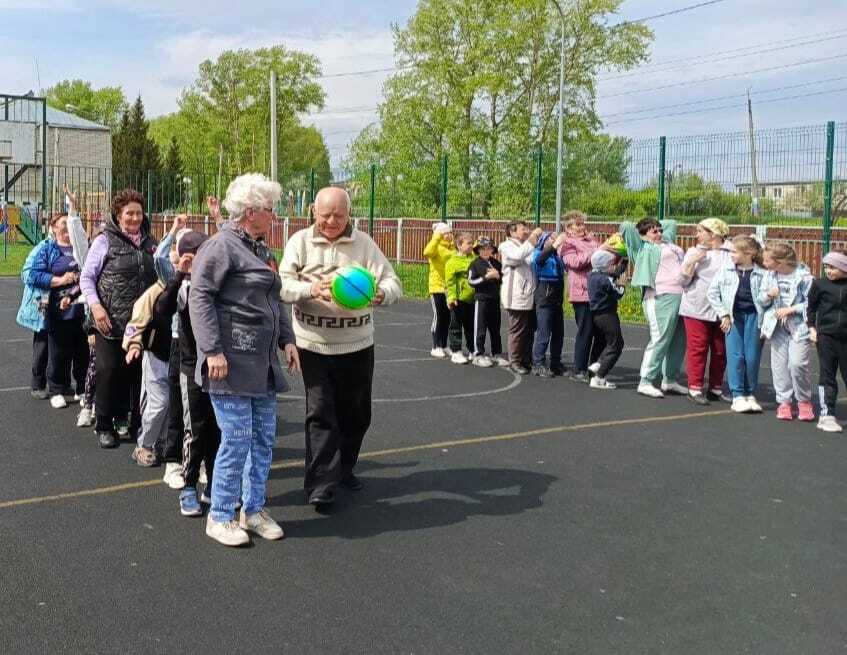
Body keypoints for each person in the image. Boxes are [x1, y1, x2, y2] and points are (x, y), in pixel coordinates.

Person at [190, 173, 299, 546]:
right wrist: (212, 351)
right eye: (270, 210)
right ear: (250, 211)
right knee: (235, 438)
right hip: (230, 363)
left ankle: (252, 510)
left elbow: (275, 299)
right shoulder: (221, 246)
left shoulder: (263, 251)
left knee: (263, 439)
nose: (275, 216)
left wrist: (288, 340)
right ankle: (220, 515)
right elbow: (199, 297)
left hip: (263, 365)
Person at [280, 186, 402, 509]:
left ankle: (344, 468)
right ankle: (321, 483)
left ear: (349, 214)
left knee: (357, 414)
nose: (332, 221)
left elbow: (393, 282)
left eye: (338, 214)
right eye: (325, 215)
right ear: (313, 213)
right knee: (320, 413)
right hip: (313, 344)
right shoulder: (300, 243)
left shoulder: (364, 245)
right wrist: (310, 288)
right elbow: (282, 284)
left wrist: (382, 295)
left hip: (357, 344)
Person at [80, 189, 158, 448]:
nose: (135, 218)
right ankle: (103, 424)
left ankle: (133, 422)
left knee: (137, 375)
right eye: (129, 213)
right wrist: (96, 307)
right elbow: (87, 278)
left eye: (138, 212)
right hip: (109, 321)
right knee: (108, 371)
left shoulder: (150, 242)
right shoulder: (105, 241)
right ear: (118, 214)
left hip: (139, 324)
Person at [154, 229, 221, 514]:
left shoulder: (221, 284)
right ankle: (189, 484)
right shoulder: (183, 287)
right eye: (192, 257)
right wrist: (179, 274)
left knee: (219, 430)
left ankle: (215, 485)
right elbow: (162, 309)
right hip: (191, 367)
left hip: (220, 368)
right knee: (195, 428)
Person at [620, 218, 687, 399]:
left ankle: (670, 379)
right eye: (654, 231)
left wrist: (655, 226)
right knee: (660, 339)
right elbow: (626, 226)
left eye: (659, 230)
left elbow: (672, 223)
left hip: (681, 296)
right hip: (659, 297)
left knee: (679, 340)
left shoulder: (669, 242)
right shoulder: (641, 248)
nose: (659, 233)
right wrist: (644, 232)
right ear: (643, 235)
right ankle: (646, 381)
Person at [28, 213, 88, 409]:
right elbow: (34, 275)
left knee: (82, 352)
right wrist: (61, 280)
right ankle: (56, 389)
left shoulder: (81, 247)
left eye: (67, 223)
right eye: (62, 223)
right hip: (58, 309)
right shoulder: (47, 249)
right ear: (54, 228)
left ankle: (81, 388)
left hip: (82, 309)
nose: (66, 227)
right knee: (58, 352)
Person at [706, 235, 767, 413]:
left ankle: (750, 393)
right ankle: (738, 394)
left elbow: (769, 301)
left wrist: (767, 322)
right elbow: (713, 293)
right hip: (734, 317)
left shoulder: (763, 273)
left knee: (752, 357)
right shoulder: (726, 270)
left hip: (754, 317)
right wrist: (724, 314)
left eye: (734, 251)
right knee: (736, 356)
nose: (730, 254)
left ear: (748, 254)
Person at [678, 218, 734, 405]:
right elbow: (683, 281)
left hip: (722, 310)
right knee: (698, 348)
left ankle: (715, 388)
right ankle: (694, 388)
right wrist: (692, 262)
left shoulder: (731, 251)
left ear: (713, 234)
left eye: (700, 231)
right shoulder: (694, 251)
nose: (697, 234)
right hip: (696, 308)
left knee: (720, 350)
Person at [758, 242, 814, 422]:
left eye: (767, 260)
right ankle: (784, 402)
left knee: (797, 364)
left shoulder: (804, 277)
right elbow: (761, 300)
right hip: (777, 328)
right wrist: (768, 295)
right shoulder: (769, 276)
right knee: (779, 365)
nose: (764, 263)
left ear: (780, 262)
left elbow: (810, 303)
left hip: (798, 327)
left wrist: (791, 310)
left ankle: (804, 401)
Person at [807, 250, 847, 433]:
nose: (828, 271)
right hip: (826, 337)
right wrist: (812, 328)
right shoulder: (820, 285)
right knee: (827, 374)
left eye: (833, 267)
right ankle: (827, 414)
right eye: (826, 267)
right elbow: (811, 308)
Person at [17, 231, 58, 401]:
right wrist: (51, 280)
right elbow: (27, 273)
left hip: (64, 303)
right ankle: (38, 383)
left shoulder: (70, 248)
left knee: (61, 346)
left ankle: (58, 382)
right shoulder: (43, 247)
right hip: (44, 301)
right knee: (42, 343)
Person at [560, 211, 600, 383]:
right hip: (581, 293)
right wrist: (596, 253)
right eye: (578, 224)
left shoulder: (592, 240)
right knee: (586, 330)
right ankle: (578, 369)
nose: (582, 227)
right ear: (568, 228)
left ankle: (594, 367)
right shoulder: (567, 244)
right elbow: (574, 262)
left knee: (600, 332)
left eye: (583, 223)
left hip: (597, 292)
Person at [499, 221, 542, 375]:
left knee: (529, 329)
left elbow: (532, 259)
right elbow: (518, 256)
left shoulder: (526, 246)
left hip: (529, 294)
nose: (527, 231)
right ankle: (514, 360)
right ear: (512, 232)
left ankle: (525, 358)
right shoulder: (506, 246)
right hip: (515, 295)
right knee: (517, 329)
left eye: (527, 229)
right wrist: (532, 238)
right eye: (523, 229)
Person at [586, 250, 626, 390]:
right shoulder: (604, 279)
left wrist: (623, 263)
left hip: (597, 316)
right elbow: (618, 293)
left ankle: (598, 365)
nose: (613, 267)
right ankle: (599, 377)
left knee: (611, 343)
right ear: (604, 266)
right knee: (617, 345)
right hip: (608, 315)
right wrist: (622, 285)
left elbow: (612, 275)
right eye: (611, 264)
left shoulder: (592, 275)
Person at [531, 230, 566, 378]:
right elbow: (538, 261)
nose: (555, 242)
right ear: (544, 241)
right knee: (544, 333)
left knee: (558, 333)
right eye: (551, 239)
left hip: (557, 299)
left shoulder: (557, 257)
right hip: (545, 298)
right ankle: (538, 363)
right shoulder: (538, 254)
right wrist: (554, 245)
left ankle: (556, 363)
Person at [467, 236, 506, 367]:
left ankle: (496, 353)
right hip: (481, 300)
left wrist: (498, 276)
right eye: (482, 249)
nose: (485, 251)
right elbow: (471, 281)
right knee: (480, 327)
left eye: (488, 248)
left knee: (495, 328)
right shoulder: (475, 264)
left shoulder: (496, 263)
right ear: (478, 250)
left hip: (494, 300)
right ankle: (478, 354)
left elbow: (502, 279)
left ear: (492, 250)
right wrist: (486, 277)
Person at [423, 222, 454, 358]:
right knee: (439, 316)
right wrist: (436, 237)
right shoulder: (435, 247)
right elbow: (427, 252)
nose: (449, 235)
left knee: (448, 317)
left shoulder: (452, 248)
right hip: (437, 287)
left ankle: (444, 345)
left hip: (449, 288)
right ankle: (435, 346)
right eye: (445, 233)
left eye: (450, 232)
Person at [444, 232, 476, 365]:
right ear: (459, 245)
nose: (471, 245)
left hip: (472, 298)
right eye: (468, 243)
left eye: (472, 242)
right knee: (456, 325)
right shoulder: (452, 262)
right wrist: (451, 297)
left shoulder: (473, 258)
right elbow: (450, 282)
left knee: (471, 326)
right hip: (459, 299)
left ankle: (472, 350)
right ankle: (456, 351)